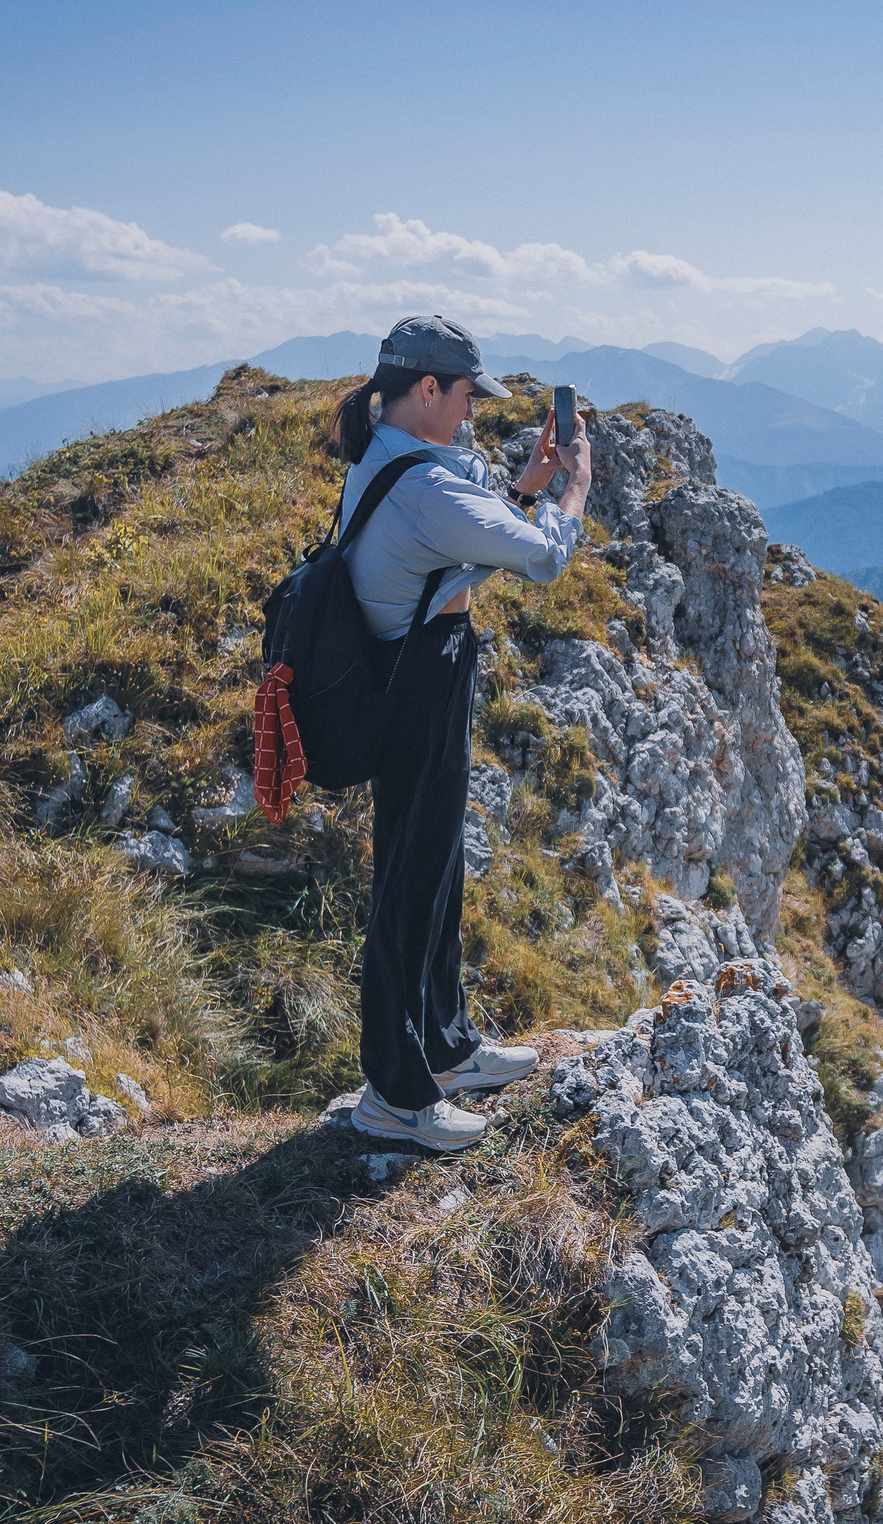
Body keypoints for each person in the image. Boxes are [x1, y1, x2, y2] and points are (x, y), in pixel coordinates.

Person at [330, 314, 592, 1150]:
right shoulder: (424, 484)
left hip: (425, 670)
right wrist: (574, 487)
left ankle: (444, 1048)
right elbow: (541, 558)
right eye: (467, 394)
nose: (474, 408)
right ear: (427, 387)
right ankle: (394, 1093)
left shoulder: (397, 457)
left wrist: (524, 486)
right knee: (410, 881)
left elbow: (463, 547)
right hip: (414, 684)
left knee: (437, 866)